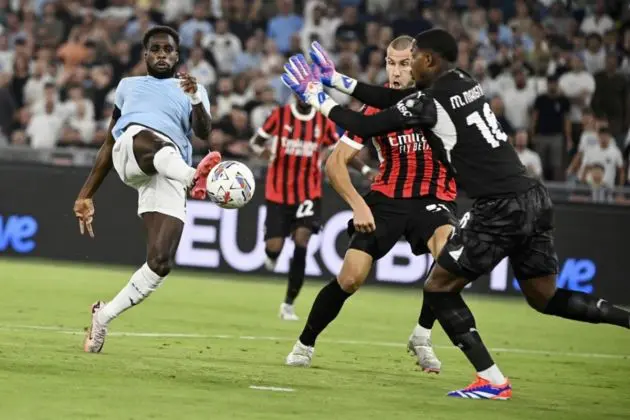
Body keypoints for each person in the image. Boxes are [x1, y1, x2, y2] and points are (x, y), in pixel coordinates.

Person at [281, 31, 630, 399]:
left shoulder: (429, 103)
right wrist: (336, 80)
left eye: (412, 57)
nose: (407, 65)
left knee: (439, 287)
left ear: (429, 60)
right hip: (534, 196)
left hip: (498, 206)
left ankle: (492, 381)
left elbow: (367, 124)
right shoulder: (464, 82)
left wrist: (316, 97)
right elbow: (391, 98)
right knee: (544, 296)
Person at [284, 35, 456, 373]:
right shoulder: (376, 103)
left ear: (423, 63)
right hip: (386, 199)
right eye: (391, 62)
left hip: (432, 198)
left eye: (404, 63)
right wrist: (358, 205)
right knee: (350, 278)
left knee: (449, 260)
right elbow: (335, 163)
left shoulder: (439, 99)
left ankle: (421, 336)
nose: (395, 71)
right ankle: (305, 342)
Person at [74, 26, 221, 353]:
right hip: (133, 151)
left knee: (161, 260)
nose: (161, 55)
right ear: (144, 54)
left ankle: (104, 316)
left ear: (177, 55)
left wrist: (196, 97)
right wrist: (86, 193)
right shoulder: (128, 87)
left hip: (166, 168)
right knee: (146, 134)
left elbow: (204, 132)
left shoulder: (192, 89)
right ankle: (193, 177)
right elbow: (110, 141)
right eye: (155, 49)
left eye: (168, 50)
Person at [249, 96, 375, 320]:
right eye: (300, 92)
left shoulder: (323, 121)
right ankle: (272, 254)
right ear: (294, 94)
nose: (303, 97)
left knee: (302, 241)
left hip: (308, 193)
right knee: (274, 247)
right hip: (278, 193)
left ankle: (288, 304)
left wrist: (365, 170)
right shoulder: (280, 116)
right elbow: (256, 142)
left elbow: (341, 150)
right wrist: (268, 154)